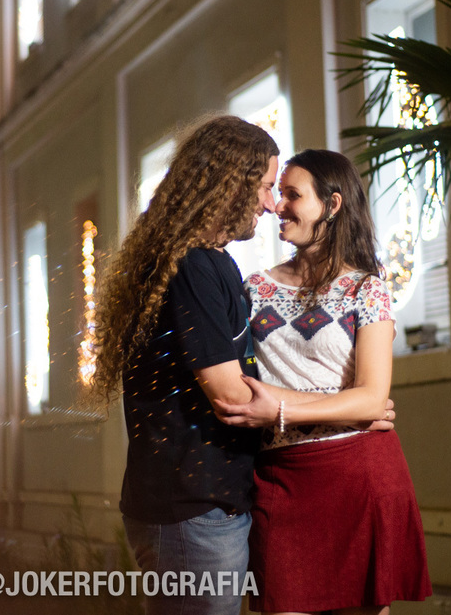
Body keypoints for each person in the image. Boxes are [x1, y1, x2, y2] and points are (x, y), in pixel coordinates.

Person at [92, 118, 392, 615]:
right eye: (268, 186)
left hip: (208, 503)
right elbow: (235, 397)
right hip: (192, 506)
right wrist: (349, 408)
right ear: (232, 182)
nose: (271, 202)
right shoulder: (196, 267)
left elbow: (252, 388)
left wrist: (357, 404)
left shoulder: (203, 263)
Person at [215, 148, 431, 615]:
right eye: (279, 193)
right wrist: (342, 403)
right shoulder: (252, 289)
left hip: (359, 478)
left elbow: (373, 397)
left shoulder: (366, 289)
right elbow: (238, 383)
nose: (277, 205)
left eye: (292, 195)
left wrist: (280, 408)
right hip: (281, 482)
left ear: (332, 206)